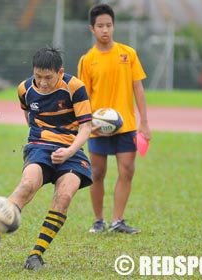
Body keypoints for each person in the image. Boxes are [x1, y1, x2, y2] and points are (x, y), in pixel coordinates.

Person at [0, 47, 93, 270]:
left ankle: (36, 255)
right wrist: (40, 142)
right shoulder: (24, 88)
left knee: (65, 195)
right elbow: (30, 118)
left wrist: (69, 151)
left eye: (48, 77)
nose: (42, 82)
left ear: (60, 72)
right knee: (27, 184)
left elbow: (86, 127)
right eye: (38, 76)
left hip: (72, 151)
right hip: (40, 146)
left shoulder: (75, 87)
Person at [77, 4, 152, 234]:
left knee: (127, 170)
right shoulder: (87, 60)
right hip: (99, 127)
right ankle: (98, 220)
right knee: (97, 173)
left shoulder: (127, 54)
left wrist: (144, 122)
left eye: (109, 25)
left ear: (114, 26)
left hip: (126, 126)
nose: (105, 30)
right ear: (92, 28)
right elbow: (83, 98)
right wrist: (88, 125)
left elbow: (137, 88)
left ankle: (117, 220)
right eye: (100, 26)